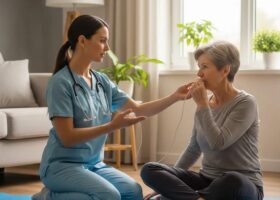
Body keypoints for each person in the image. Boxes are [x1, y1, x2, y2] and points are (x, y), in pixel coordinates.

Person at [32, 15, 191, 200]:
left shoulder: (101, 81)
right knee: (110, 196)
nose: (107, 48)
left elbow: (138, 109)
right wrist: (112, 126)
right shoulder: (61, 83)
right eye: (102, 41)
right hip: (61, 165)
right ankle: (47, 197)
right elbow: (67, 138)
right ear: (82, 41)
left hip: (93, 164)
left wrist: (174, 97)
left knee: (133, 191)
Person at [141, 41, 264, 200]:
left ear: (225, 69)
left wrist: (202, 104)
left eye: (204, 67)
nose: (199, 74)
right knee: (149, 169)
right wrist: (168, 185)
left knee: (234, 180)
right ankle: (197, 198)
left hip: (242, 185)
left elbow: (218, 143)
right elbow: (193, 148)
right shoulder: (205, 104)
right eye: (199, 67)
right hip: (207, 182)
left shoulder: (246, 103)